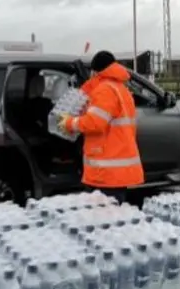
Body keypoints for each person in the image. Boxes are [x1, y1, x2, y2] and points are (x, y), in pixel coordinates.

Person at [57, 50, 144, 203]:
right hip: (114, 170)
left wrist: (69, 123)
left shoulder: (105, 90)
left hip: (106, 172)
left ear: (95, 71)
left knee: (103, 220)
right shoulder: (120, 89)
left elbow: (95, 122)